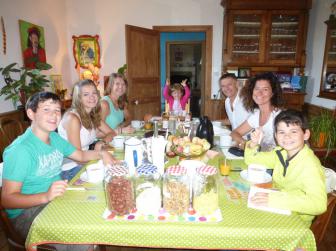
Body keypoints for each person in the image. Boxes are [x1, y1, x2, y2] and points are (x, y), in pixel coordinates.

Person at [1, 92, 117, 250]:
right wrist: (45, 196)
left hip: (55, 199)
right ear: (31, 113)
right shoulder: (20, 150)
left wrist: (102, 153)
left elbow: (81, 154)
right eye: (46, 110)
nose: (54, 115)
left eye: (57, 110)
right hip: (28, 213)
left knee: (96, 210)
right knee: (82, 236)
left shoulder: (54, 138)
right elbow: (7, 199)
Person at [245, 109, 327, 225]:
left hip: (296, 220)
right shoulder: (281, 153)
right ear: (276, 136)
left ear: (306, 134)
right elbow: (252, 160)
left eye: (293, 131)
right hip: (278, 209)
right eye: (282, 132)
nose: (287, 137)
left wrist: (275, 199)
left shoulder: (310, 165)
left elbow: (318, 204)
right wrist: (253, 143)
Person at [58, 79, 116, 180]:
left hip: (85, 160)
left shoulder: (92, 115)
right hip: (70, 168)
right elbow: (77, 157)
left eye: (94, 93)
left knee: (117, 169)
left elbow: (112, 133)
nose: (92, 97)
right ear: (79, 98)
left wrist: (101, 142)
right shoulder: (73, 118)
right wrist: (101, 155)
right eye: (86, 94)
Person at [230, 72, 283, 151]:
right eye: (257, 88)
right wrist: (245, 144)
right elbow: (234, 133)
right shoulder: (256, 115)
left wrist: (251, 147)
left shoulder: (279, 117)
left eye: (265, 89)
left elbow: (284, 148)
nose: (259, 93)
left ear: (272, 93)